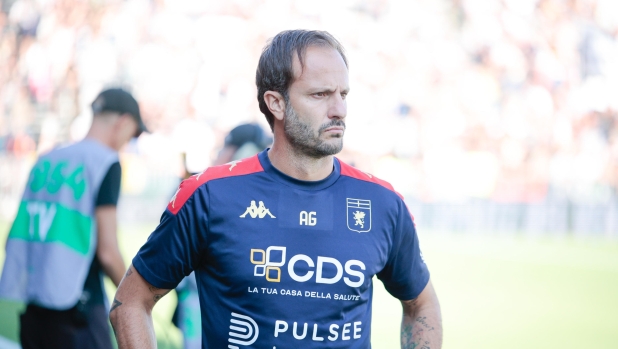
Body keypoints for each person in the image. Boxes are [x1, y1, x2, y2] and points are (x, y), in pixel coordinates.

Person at [110, 30, 442, 348]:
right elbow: (130, 303)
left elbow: (421, 304)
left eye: (343, 94)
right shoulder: (210, 197)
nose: (339, 109)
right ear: (276, 103)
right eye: (320, 94)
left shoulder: (382, 203)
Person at [0, 88, 146, 349]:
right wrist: (137, 297)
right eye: (132, 133)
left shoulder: (46, 158)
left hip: (35, 309)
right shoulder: (105, 162)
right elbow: (108, 252)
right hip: (77, 309)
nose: (128, 142)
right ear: (123, 122)